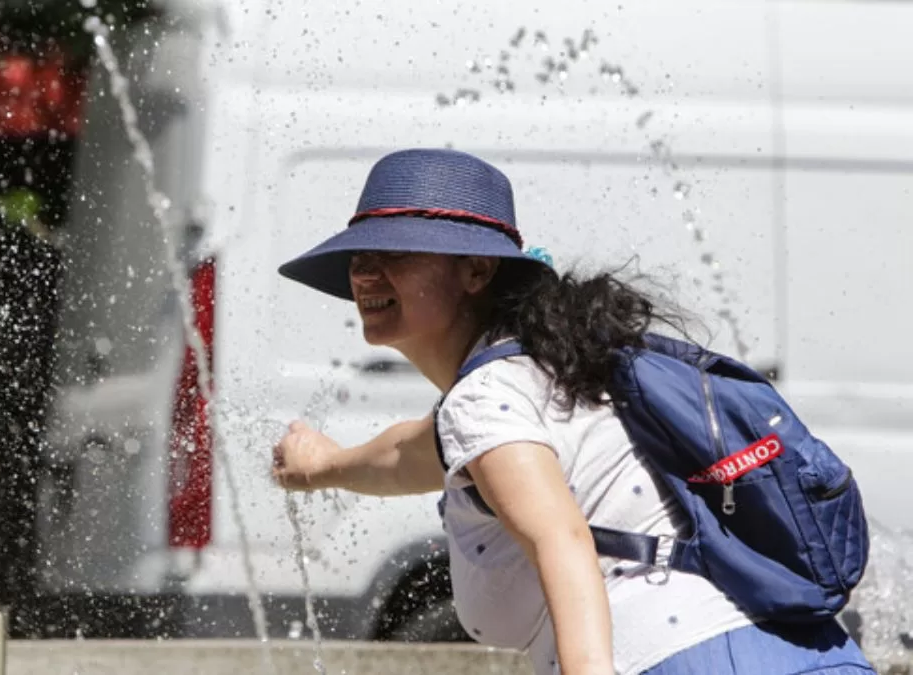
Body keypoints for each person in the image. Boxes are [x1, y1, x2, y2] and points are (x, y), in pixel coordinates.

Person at [270, 148, 875, 675]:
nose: (364, 271)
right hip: (812, 655)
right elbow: (413, 453)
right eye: (359, 255)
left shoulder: (485, 400)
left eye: (395, 252)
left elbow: (560, 538)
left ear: (477, 270)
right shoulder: (555, 370)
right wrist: (324, 465)